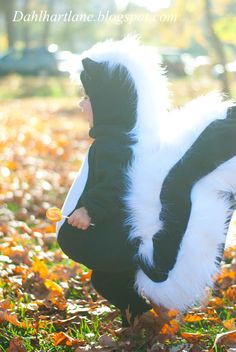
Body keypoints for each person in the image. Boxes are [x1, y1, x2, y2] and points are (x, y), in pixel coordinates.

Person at [56, 36, 236, 322]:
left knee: (107, 280)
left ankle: (147, 314)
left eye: (88, 98)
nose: (81, 103)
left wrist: (91, 209)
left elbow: (116, 184)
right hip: (121, 232)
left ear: (107, 105)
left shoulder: (114, 145)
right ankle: (143, 315)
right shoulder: (117, 140)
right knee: (109, 280)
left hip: (119, 233)